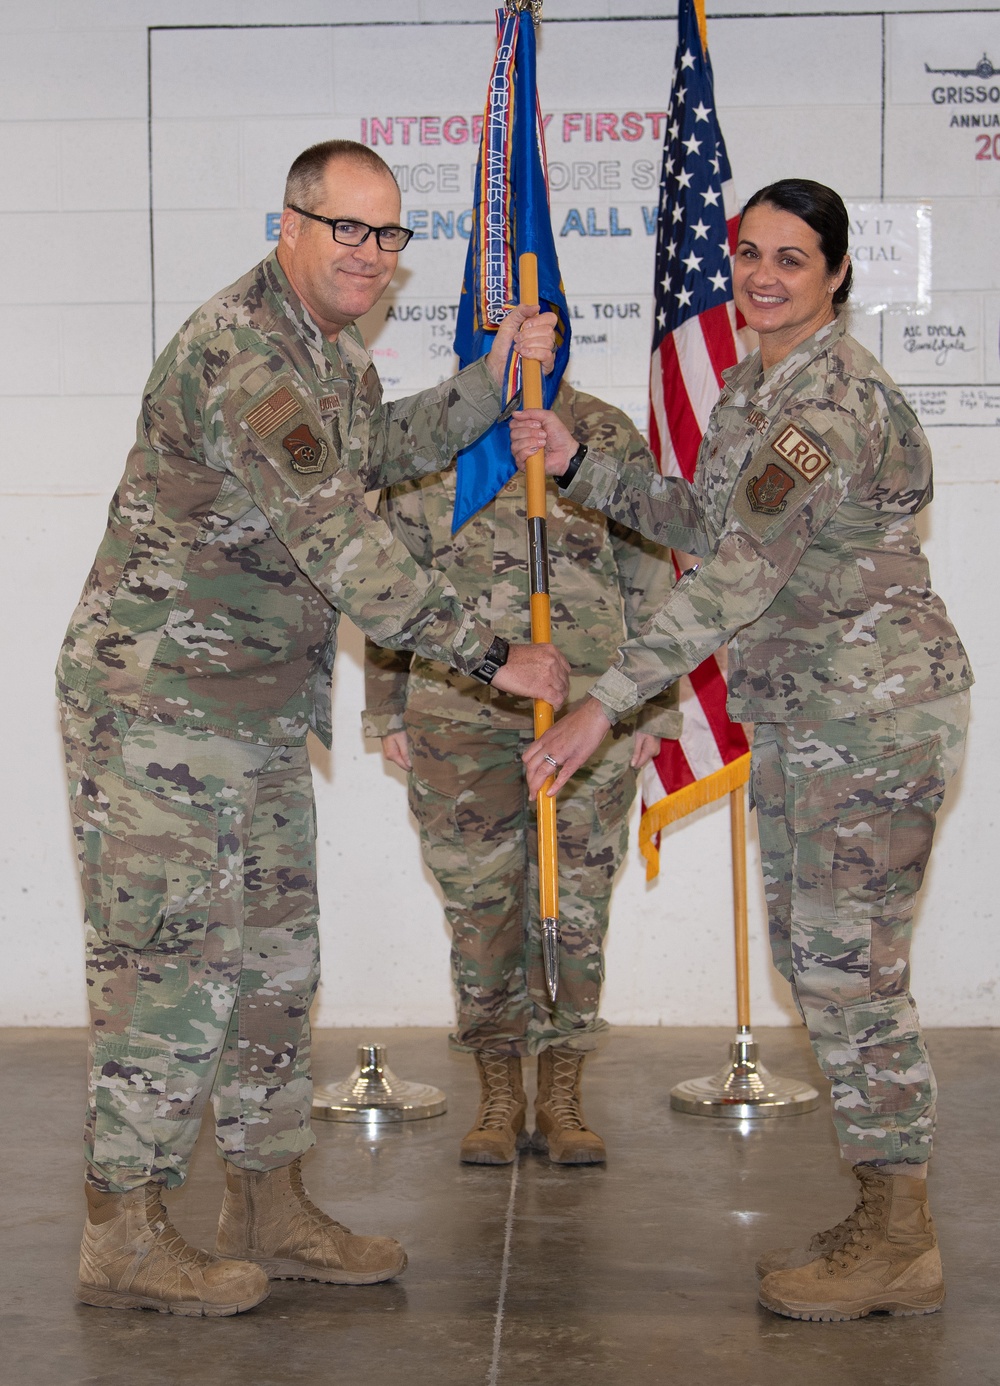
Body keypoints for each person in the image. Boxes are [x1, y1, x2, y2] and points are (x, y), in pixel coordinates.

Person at [56, 139, 567, 1318]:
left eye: (389, 237)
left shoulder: (328, 355)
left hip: (255, 712)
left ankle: (267, 1203)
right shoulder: (247, 355)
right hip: (159, 713)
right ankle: (121, 1226)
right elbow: (346, 549)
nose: (370, 258)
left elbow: (377, 456)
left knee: (279, 970)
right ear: (285, 223)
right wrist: (494, 654)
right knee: (168, 972)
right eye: (347, 230)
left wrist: (491, 382)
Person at [509, 180, 973, 1323]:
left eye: (794, 259)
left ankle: (900, 1239)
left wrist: (603, 703)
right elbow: (705, 523)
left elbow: (732, 576)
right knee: (822, 964)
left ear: (837, 277)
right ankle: (882, 1204)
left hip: (868, 720)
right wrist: (580, 463)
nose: (764, 275)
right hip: (815, 715)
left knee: (848, 975)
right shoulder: (756, 381)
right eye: (750, 253)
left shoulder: (828, 405)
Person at [363, 382, 680, 1167]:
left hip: (588, 711)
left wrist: (655, 712)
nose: (518, 342)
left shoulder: (602, 430)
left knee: (576, 909)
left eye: (534, 325)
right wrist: (385, 708)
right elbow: (383, 578)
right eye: (499, 322)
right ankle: (499, 1090)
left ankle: (563, 1088)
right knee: (480, 913)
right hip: (456, 708)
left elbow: (648, 570)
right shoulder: (434, 433)